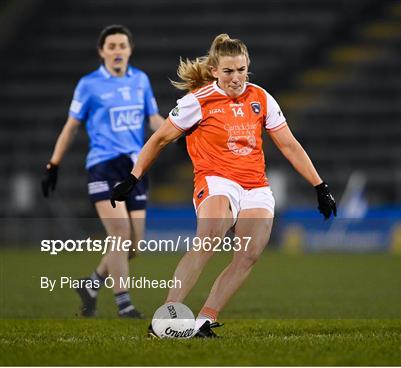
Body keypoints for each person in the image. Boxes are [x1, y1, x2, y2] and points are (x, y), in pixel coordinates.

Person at [110, 33, 336, 336]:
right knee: (209, 238)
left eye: (241, 70)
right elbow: (160, 139)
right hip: (216, 180)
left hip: (255, 185)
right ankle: (165, 317)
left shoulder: (261, 98)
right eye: (228, 71)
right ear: (215, 71)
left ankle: (204, 320)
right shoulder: (198, 101)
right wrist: (133, 177)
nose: (236, 78)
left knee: (249, 254)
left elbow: (289, 145)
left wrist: (319, 187)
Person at [41, 25, 165, 318]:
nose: (117, 51)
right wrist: (53, 164)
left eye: (122, 45)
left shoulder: (141, 80)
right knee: (120, 233)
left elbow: (153, 119)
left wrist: (182, 130)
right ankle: (124, 303)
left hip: (135, 167)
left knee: (134, 246)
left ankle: (91, 284)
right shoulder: (89, 84)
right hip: (103, 165)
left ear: (130, 50)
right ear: (102, 52)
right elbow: (71, 127)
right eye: (111, 46)